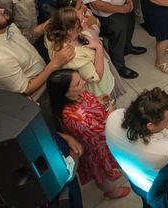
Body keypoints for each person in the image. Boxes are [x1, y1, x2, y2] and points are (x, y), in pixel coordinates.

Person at [0, 0, 74, 117]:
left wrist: (42, 27)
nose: (2, 10)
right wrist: (55, 63)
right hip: (41, 97)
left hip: (47, 75)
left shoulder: (2, 26)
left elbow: (23, 37)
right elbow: (26, 89)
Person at [47, 69, 130, 199]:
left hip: (102, 144)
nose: (84, 82)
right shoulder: (74, 117)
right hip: (94, 151)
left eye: (80, 78)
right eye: (78, 83)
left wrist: (98, 101)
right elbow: (100, 131)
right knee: (100, 175)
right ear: (66, 93)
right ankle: (111, 192)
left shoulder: (77, 94)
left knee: (108, 164)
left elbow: (88, 105)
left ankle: (110, 170)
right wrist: (111, 113)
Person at [105, 88, 168, 206]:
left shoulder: (113, 118)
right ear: (150, 126)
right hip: (159, 190)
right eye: (167, 121)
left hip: (136, 182)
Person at [45, 6, 123, 99]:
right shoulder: (73, 56)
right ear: (69, 30)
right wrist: (99, 48)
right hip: (99, 92)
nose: (86, 20)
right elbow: (97, 76)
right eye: (81, 21)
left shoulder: (73, 35)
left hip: (105, 77)